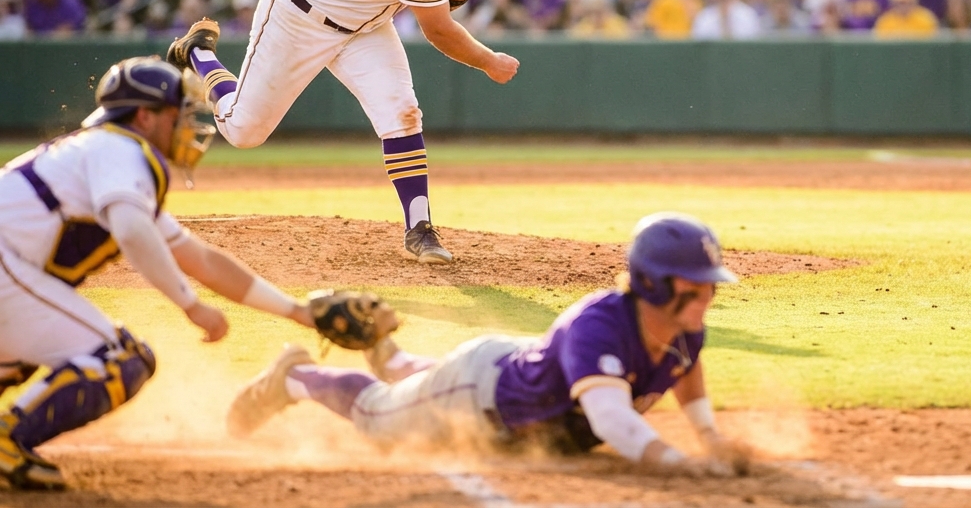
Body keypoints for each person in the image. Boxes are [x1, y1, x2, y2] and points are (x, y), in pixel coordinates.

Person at [164, 0, 519, 266]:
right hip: (300, 15)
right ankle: (199, 54)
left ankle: (420, 228)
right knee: (243, 131)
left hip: (365, 24)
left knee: (402, 112)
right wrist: (488, 61)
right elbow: (439, 30)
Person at [0, 56, 318, 491]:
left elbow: (202, 260)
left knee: (18, 360)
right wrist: (190, 305)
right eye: (176, 116)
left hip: (9, 269)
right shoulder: (122, 150)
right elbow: (133, 233)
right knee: (119, 358)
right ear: (144, 117)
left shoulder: (103, 156)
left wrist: (298, 312)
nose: (185, 127)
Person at [226, 213, 751, 475]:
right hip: (475, 395)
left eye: (709, 285)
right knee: (377, 418)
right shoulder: (599, 326)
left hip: (504, 370)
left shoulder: (684, 326)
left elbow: (686, 369)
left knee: (419, 386)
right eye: (693, 285)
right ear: (653, 282)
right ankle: (296, 377)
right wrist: (680, 462)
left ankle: (389, 354)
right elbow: (612, 420)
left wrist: (709, 436)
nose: (706, 295)